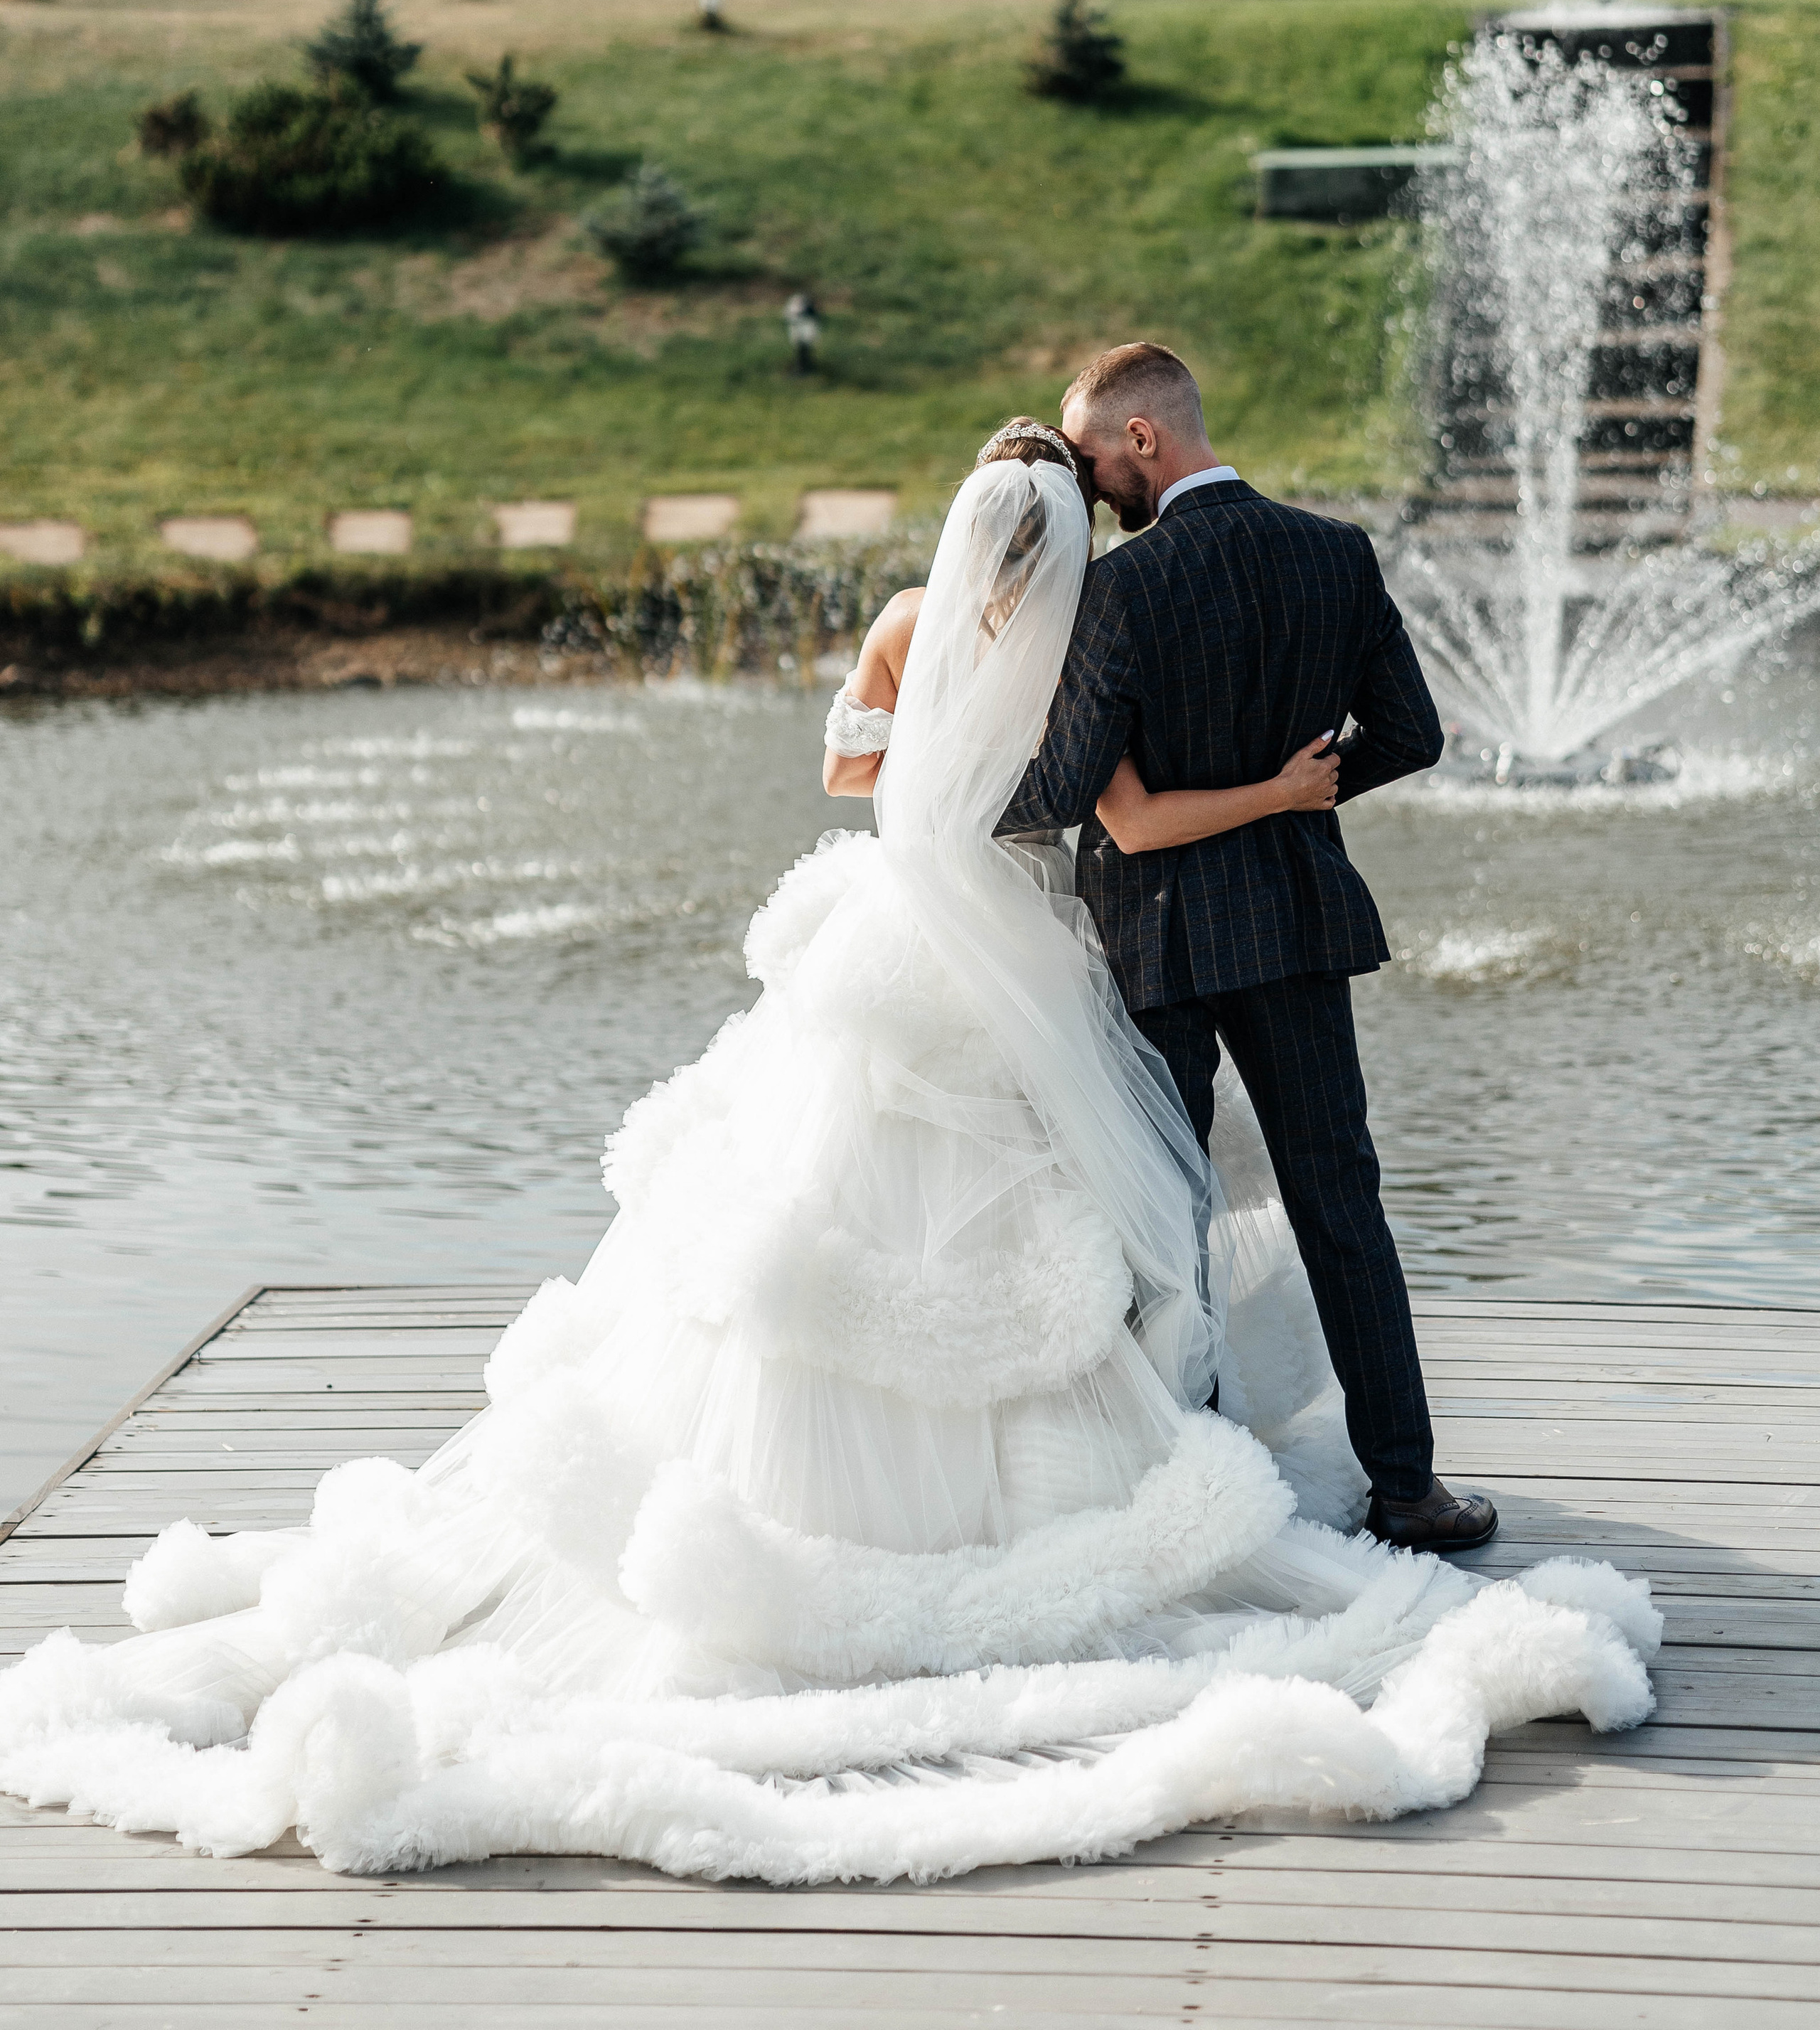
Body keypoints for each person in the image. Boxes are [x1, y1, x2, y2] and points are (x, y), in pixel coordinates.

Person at [0, 424, 1655, 1885]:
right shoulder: (1093, 630)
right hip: (1049, 951)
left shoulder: (926, 626)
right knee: (1136, 1213)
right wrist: (1279, 786)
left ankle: (978, 1467)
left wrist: (910, 772)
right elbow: (1111, 813)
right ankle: (1309, 1466)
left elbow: (860, 764)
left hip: (918, 943)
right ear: (1067, 528)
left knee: (862, 1206)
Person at [996, 346, 1491, 1555]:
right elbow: (1413, 735)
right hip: (1299, 920)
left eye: (1098, 450)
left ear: (1146, 440)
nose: (1091, 477)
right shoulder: (1337, 553)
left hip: (1157, 937)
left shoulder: (1120, 592)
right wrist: (1304, 794)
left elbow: (1056, 792)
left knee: (1172, 1216)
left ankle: (1204, 1483)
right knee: (1342, 1204)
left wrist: (945, 776)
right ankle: (1410, 1489)